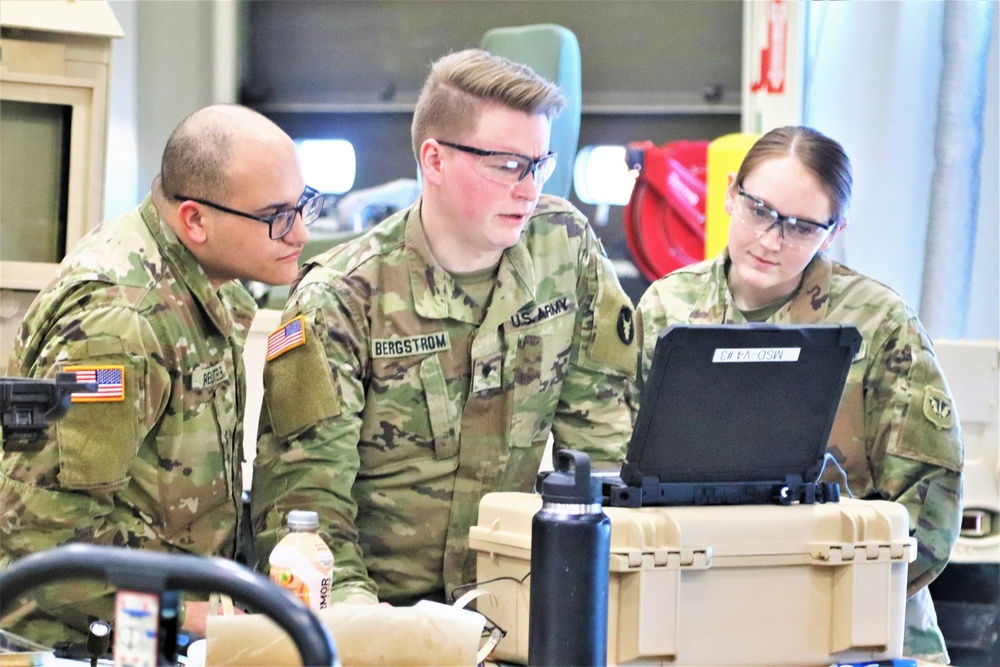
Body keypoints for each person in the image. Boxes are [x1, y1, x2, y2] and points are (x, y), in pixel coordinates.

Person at [251, 49, 636, 607]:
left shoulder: (565, 249)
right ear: (433, 160)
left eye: (539, 164)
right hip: (383, 618)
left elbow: (602, 454)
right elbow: (305, 515)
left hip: (522, 605)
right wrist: (378, 633)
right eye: (506, 165)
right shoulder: (340, 299)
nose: (527, 189)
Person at [634, 126, 963, 663]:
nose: (771, 239)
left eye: (801, 227)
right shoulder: (665, 309)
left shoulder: (876, 322)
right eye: (759, 210)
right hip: (696, 614)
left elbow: (931, 502)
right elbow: (629, 476)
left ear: (832, 233)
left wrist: (836, 595)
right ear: (729, 195)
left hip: (855, 619)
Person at [0, 104, 320, 645]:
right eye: (276, 217)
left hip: (157, 627)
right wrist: (220, 627)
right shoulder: (122, 324)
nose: (300, 233)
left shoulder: (206, 280)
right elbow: (44, 543)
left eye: (303, 205)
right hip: (81, 644)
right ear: (195, 219)